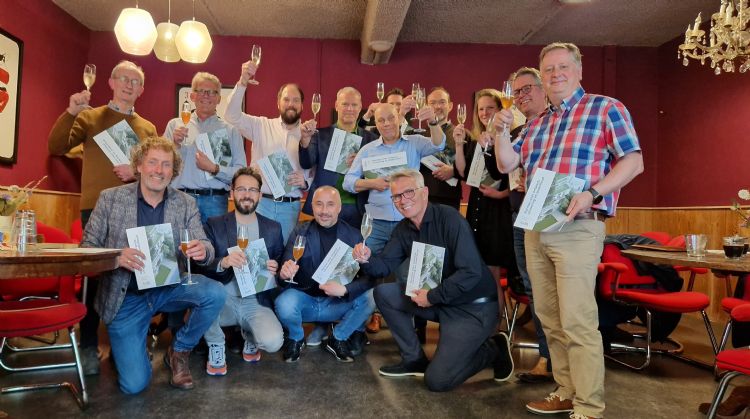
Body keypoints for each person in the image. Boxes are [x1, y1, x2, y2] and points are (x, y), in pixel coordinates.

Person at [495, 42, 644, 419]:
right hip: (536, 227)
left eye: (563, 67)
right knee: (550, 318)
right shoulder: (536, 123)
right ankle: (565, 390)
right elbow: (507, 164)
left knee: (578, 320)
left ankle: (589, 406)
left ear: (578, 71)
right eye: (548, 69)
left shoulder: (605, 108)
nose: (555, 74)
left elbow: (633, 161)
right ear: (542, 78)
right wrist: (500, 131)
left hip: (578, 227)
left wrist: (593, 192)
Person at [81, 136, 226, 394]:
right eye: (152, 162)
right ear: (138, 165)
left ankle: (179, 350)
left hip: (169, 288)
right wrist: (116, 257)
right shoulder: (111, 198)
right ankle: (133, 347)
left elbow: (206, 244)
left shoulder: (185, 202)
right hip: (127, 297)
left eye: (166, 165)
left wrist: (203, 249)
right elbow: (86, 249)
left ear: (173, 171)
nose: (159, 170)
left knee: (215, 292)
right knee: (134, 385)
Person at [352, 169, 513, 392]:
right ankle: (414, 359)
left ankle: (494, 348)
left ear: (425, 192)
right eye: (396, 196)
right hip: (439, 301)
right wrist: (366, 258)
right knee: (384, 293)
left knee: (438, 381)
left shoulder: (450, 219)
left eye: (409, 192)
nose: (403, 200)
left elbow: (471, 272)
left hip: (472, 308)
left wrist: (432, 296)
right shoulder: (404, 229)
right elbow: (384, 266)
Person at [48, 60, 158, 375]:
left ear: (141, 89)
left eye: (135, 81)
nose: (129, 85)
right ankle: (87, 345)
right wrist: (70, 112)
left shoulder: (147, 128)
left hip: (135, 208)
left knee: (134, 275)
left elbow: (155, 171)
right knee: (95, 277)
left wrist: (136, 172)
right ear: (111, 82)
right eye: (123, 78)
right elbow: (56, 146)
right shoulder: (89, 116)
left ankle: (131, 343)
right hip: (95, 209)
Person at [275, 186, 376, 363]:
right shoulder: (300, 232)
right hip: (306, 300)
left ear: (339, 208)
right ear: (312, 206)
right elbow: (284, 269)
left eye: (330, 205)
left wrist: (345, 290)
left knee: (372, 296)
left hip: (337, 303)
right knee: (284, 303)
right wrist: (284, 274)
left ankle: (338, 337)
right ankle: (296, 337)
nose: (324, 211)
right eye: (319, 204)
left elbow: (369, 278)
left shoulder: (354, 236)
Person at [200, 167, 284, 376]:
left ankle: (250, 334)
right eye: (241, 189)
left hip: (255, 301)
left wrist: (276, 268)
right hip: (223, 299)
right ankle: (216, 344)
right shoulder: (215, 224)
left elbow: (281, 264)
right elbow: (203, 264)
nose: (247, 194)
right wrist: (223, 262)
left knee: (274, 342)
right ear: (232, 193)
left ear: (260, 195)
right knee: (203, 300)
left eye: (253, 190)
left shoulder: (273, 228)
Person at [498, 67, 553, 384]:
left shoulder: (555, 124)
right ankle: (547, 358)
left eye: (527, 89)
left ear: (543, 89)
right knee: (535, 290)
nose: (520, 96)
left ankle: (559, 362)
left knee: (551, 291)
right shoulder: (521, 131)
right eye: (516, 91)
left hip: (549, 218)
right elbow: (505, 166)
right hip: (520, 216)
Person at [224, 61, 310, 244]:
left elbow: (315, 171)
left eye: (296, 100)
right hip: (261, 204)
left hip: (290, 207)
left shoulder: (309, 135)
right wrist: (243, 81)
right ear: (278, 103)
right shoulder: (260, 125)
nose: (291, 104)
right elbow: (231, 116)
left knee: (283, 255)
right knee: (254, 252)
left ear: (302, 105)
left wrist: (306, 182)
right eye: (286, 99)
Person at [343, 103, 445, 255]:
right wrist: (372, 183)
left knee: (409, 265)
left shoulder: (415, 142)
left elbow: (439, 145)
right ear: (376, 124)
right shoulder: (367, 150)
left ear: (399, 118)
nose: (386, 123)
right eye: (381, 120)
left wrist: (432, 121)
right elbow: (348, 182)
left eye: (391, 118)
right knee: (369, 263)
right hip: (376, 223)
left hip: (409, 220)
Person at [453, 89, 518, 281]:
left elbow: (513, 178)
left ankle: (497, 303)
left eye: (490, 108)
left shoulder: (508, 139)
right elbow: (463, 173)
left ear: (500, 110)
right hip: (476, 207)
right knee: (479, 268)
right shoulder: (476, 140)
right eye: (481, 109)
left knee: (492, 271)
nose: (484, 113)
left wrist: (500, 194)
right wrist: (459, 145)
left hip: (498, 210)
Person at [164, 72, 246, 223]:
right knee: (178, 239)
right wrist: (174, 145)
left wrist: (214, 168)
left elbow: (240, 173)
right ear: (192, 96)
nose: (206, 95)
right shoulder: (174, 125)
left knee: (213, 239)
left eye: (212, 92)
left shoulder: (231, 131)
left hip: (215, 201)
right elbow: (161, 165)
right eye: (201, 91)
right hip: (180, 199)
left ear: (219, 99)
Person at [298, 86, 377, 228]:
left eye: (354, 105)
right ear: (336, 106)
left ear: (360, 108)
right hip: (326, 207)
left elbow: (377, 175)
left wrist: (362, 165)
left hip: (359, 207)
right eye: (345, 104)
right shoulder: (320, 135)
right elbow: (306, 163)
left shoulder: (371, 139)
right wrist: (304, 140)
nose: (350, 109)